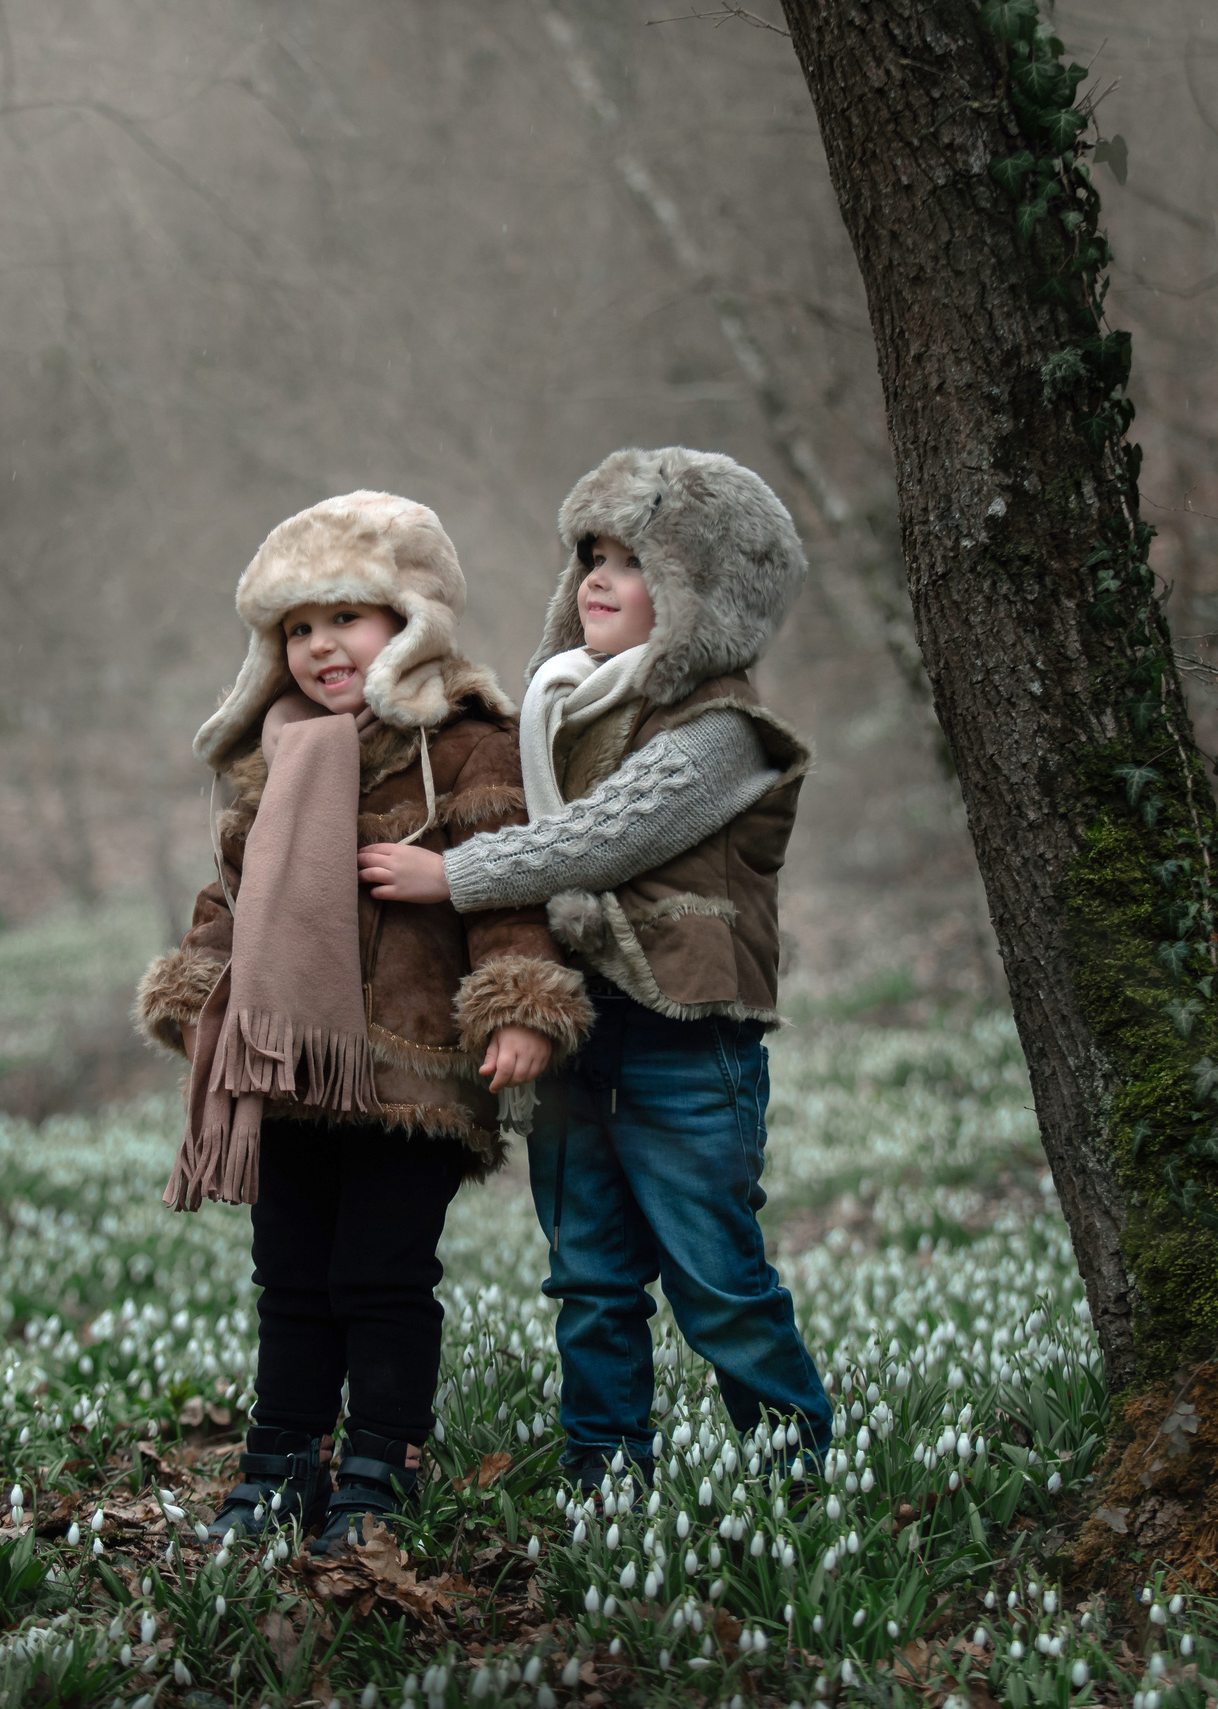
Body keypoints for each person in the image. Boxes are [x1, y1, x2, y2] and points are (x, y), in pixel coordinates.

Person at [359, 447, 830, 1485]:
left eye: (635, 561)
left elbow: (598, 840)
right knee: (590, 1278)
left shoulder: (723, 732)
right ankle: (604, 1481)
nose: (598, 580)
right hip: (580, 1032)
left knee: (717, 1280)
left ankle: (795, 1480)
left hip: (684, 1039)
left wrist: (452, 874)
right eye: (591, 556)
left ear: (708, 593)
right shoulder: (558, 707)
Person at [138, 490, 593, 1551]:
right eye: (296, 628)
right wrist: (199, 995)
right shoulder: (277, 753)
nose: (318, 646)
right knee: (289, 1271)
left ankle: (381, 1465)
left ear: (412, 618)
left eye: (345, 616)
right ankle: (278, 1461)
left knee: (381, 1275)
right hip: (286, 1059)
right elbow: (233, 899)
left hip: (416, 1067)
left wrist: (517, 1004)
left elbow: (510, 886)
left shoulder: (464, 744)